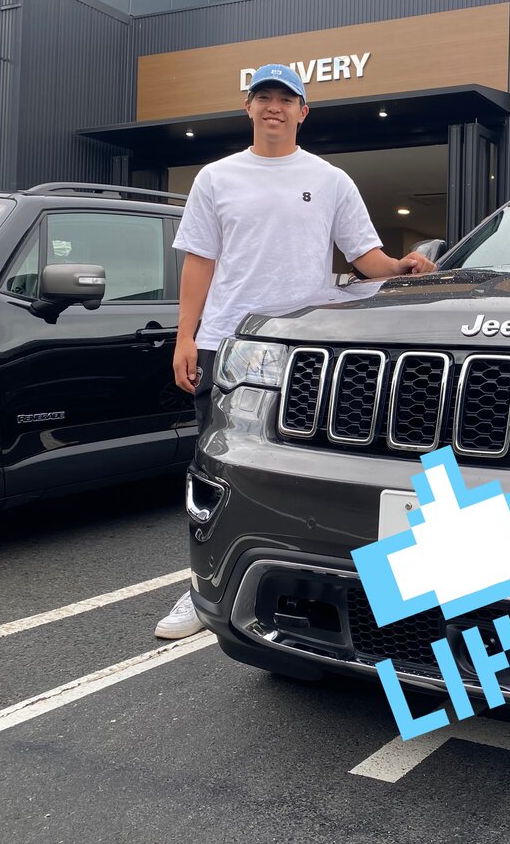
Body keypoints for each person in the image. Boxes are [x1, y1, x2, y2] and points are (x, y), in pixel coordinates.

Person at [154, 63, 437, 639]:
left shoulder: (330, 180)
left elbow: (365, 257)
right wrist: (186, 336)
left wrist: (402, 268)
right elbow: (200, 261)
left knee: (306, 469)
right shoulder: (216, 177)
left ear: (303, 112)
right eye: (264, 97)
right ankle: (203, 585)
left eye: (286, 99)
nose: (274, 107)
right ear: (248, 108)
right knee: (217, 468)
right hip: (228, 343)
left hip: (306, 349)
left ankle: (314, 577)